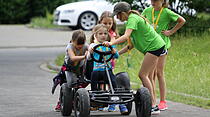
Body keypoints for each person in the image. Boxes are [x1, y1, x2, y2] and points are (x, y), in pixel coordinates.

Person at [103, 2, 166, 115]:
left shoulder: (132, 18)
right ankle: (153, 104)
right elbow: (130, 45)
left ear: (123, 13)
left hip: (154, 47)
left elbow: (126, 36)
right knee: (149, 77)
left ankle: (152, 106)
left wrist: (111, 43)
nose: (117, 18)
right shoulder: (132, 20)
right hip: (155, 47)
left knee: (142, 75)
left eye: (118, 15)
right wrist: (116, 53)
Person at [141, 0, 186, 111]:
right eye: (152, 0)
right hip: (150, 46)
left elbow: (182, 21)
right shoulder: (147, 11)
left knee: (159, 73)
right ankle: (153, 101)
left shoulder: (166, 12)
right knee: (150, 74)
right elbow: (139, 21)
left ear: (162, 1)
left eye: (156, 0)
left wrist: (170, 32)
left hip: (162, 45)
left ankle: (163, 101)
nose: (153, 2)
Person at [88, 24, 128, 114]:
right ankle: (94, 97)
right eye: (100, 34)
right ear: (95, 35)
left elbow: (117, 56)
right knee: (93, 78)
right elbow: (88, 58)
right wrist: (91, 51)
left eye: (105, 34)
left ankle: (120, 103)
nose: (103, 35)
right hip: (96, 70)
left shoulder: (110, 45)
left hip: (107, 70)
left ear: (108, 35)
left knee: (113, 82)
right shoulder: (93, 45)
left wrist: (114, 52)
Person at [54, 29, 89, 111]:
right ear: (73, 41)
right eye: (78, 44)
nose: (80, 46)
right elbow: (72, 58)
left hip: (80, 68)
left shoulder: (85, 45)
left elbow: (91, 48)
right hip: (69, 68)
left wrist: (90, 50)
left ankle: (78, 100)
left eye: (82, 44)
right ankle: (62, 102)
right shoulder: (70, 47)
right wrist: (84, 56)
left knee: (84, 81)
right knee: (70, 85)